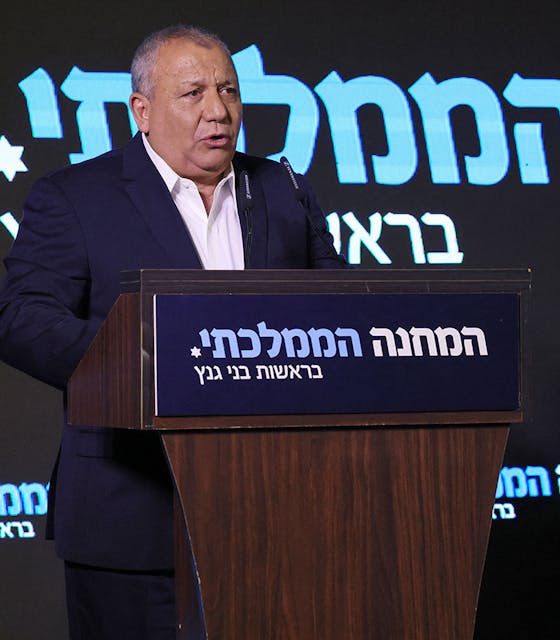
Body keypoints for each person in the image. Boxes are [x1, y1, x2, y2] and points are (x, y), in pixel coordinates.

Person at [0, 24, 347, 639]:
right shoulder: (76, 196)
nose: (218, 111)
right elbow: (23, 317)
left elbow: (343, 314)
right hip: (132, 518)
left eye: (229, 91)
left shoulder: (285, 189)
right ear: (142, 110)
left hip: (277, 514)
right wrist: (145, 365)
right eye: (193, 93)